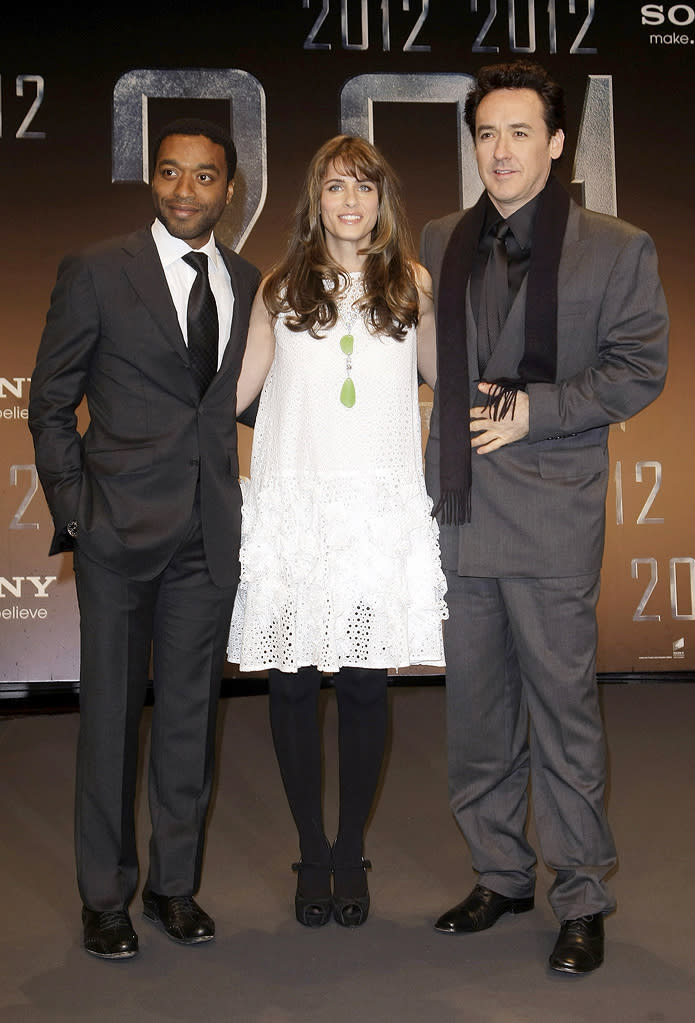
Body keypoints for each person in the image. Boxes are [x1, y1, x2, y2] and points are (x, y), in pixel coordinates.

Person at [420, 62, 668, 974]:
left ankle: (581, 893)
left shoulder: (618, 245)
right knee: (477, 716)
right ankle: (499, 870)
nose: (501, 150)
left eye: (520, 132)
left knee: (562, 714)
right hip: (458, 512)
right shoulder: (441, 236)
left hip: (554, 516)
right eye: (486, 133)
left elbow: (638, 368)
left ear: (557, 143)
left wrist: (539, 409)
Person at [28, 118, 260, 959]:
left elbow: (249, 401)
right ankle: (104, 897)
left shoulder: (247, 278)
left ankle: (173, 887)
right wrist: (77, 509)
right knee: (111, 724)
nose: (185, 189)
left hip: (208, 535)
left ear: (228, 188)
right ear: (151, 181)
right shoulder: (96, 269)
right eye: (170, 172)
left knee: (192, 722)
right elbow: (50, 400)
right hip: (117, 534)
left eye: (203, 175)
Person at [227, 134, 447, 928]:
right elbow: (238, 390)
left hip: (373, 516)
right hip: (298, 513)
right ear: (312, 201)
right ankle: (309, 850)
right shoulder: (279, 288)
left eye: (363, 186)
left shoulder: (412, 284)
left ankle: (350, 849)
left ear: (382, 200)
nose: (349, 201)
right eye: (333, 188)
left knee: (361, 684)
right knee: (290, 685)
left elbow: (446, 380)